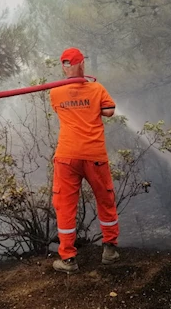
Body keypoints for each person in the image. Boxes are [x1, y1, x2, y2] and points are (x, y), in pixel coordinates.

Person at [49, 47, 119, 273]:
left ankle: (68, 259)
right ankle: (110, 250)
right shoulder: (97, 88)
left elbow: (62, 111)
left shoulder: (55, 92)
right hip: (94, 155)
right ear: (82, 65)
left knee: (65, 206)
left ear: (64, 66)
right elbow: (109, 111)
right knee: (105, 199)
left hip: (66, 157)